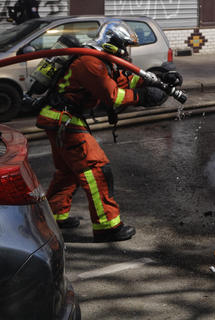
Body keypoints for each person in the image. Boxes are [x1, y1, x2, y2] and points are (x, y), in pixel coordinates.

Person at [35, 20, 167, 242]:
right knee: (96, 169)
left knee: (68, 172)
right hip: (64, 120)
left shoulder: (101, 61)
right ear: (113, 42)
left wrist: (159, 81)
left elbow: (124, 80)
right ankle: (107, 225)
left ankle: (54, 216)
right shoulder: (90, 62)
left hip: (61, 119)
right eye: (124, 45)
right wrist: (142, 97)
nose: (126, 51)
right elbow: (112, 95)